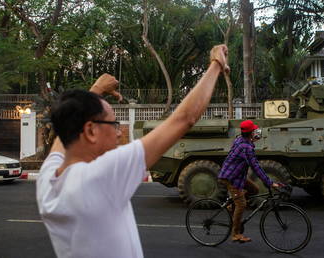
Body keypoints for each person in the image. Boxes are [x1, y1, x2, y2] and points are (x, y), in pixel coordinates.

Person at [36, 44, 229, 258]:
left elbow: (63, 138)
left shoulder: (48, 180)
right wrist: (216, 64)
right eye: (114, 125)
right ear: (90, 130)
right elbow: (184, 119)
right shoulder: (99, 176)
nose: (119, 133)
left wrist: (96, 90)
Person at [218, 120, 279, 243]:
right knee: (242, 204)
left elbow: (245, 146)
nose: (255, 132)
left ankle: (231, 206)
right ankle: (235, 234)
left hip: (237, 175)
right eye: (253, 131)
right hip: (230, 177)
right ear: (250, 133)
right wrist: (269, 182)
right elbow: (256, 166)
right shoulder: (246, 147)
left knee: (254, 189)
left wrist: (251, 140)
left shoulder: (241, 139)